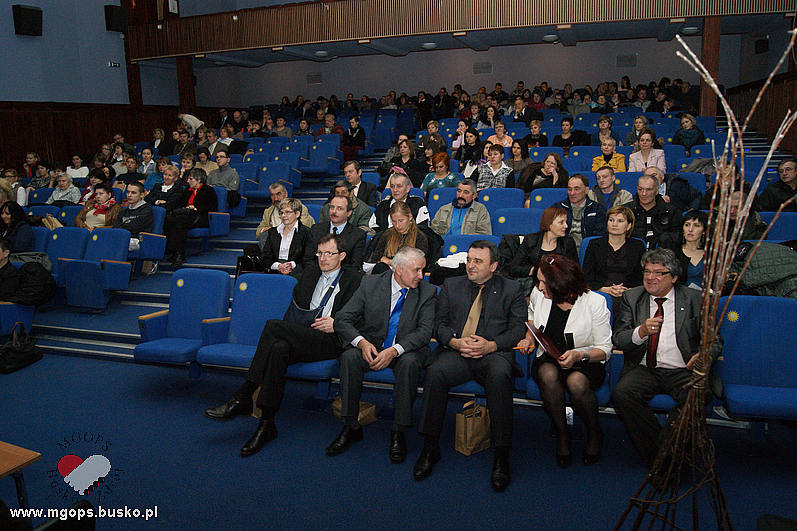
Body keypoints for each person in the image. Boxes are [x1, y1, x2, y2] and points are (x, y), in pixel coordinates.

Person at [204, 234, 363, 456]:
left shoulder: (354, 280)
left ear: (342, 256)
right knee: (278, 349)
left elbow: (363, 317)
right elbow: (296, 309)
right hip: (304, 335)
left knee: (272, 326)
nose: (323, 258)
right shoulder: (310, 274)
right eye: (320, 253)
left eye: (329, 253)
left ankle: (244, 394)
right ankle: (266, 423)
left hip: (332, 340)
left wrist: (337, 323)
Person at [415, 241, 525, 491]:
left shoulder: (512, 289)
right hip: (458, 350)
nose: (471, 266)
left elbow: (518, 329)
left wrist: (491, 346)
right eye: (469, 260)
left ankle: (501, 456)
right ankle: (430, 448)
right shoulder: (451, 285)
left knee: (500, 376)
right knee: (435, 373)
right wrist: (454, 342)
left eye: (478, 261)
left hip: (493, 353)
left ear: (494, 266)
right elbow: (438, 324)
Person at [612, 248, 722, 466]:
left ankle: (662, 457)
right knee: (623, 394)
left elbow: (715, 340)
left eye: (658, 273)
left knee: (700, 394)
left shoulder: (694, 299)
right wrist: (641, 332)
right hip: (645, 368)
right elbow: (619, 339)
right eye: (647, 272)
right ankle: (667, 454)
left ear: (674, 277)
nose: (650, 277)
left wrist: (703, 355)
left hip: (684, 369)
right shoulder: (632, 297)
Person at [328, 246, 436, 461]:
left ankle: (399, 430)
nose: (420, 276)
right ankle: (350, 425)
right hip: (372, 345)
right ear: (398, 270)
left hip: (406, 349)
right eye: (416, 270)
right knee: (349, 357)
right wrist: (361, 343)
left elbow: (424, 333)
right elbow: (342, 319)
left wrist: (394, 351)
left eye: (422, 270)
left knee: (410, 363)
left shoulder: (427, 292)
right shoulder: (370, 284)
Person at [518, 253, 612, 467]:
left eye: (544, 282)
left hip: (586, 358)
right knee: (547, 374)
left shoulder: (595, 302)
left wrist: (580, 355)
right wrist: (528, 338)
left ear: (559, 283)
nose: (539, 286)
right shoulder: (538, 294)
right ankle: (562, 434)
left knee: (576, 382)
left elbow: (605, 349)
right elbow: (532, 319)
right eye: (539, 281)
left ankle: (594, 432)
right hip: (550, 356)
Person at [581, 205, 645, 305]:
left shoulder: (638, 246)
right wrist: (606, 290)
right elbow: (586, 276)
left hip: (628, 294)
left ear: (629, 226)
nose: (614, 224)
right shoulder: (594, 244)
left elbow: (641, 277)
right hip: (599, 293)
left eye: (620, 221)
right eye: (611, 220)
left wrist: (627, 291)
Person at [505, 206, 578, 292]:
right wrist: (536, 271)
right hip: (533, 286)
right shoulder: (531, 240)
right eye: (561, 222)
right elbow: (513, 268)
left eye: (565, 222)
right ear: (549, 224)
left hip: (559, 287)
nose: (566, 226)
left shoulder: (568, 243)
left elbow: (575, 271)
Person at [164, 169, 217, 267]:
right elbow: (180, 204)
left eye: (190, 179)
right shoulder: (188, 191)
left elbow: (212, 207)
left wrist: (196, 208)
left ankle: (179, 254)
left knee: (179, 223)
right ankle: (174, 251)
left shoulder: (208, 190)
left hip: (201, 217)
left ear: (199, 179)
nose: (188, 181)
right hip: (186, 215)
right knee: (169, 219)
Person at [305, 195, 367, 272]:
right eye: (332, 207)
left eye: (339, 208)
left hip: (342, 277)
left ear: (349, 213)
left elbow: (355, 265)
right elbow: (308, 259)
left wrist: (332, 273)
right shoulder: (316, 229)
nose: (334, 211)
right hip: (316, 274)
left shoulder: (358, 235)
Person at [624, 174, 683, 249]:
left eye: (649, 190)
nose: (644, 194)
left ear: (657, 190)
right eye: (640, 189)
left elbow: (677, 238)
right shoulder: (626, 211)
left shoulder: (671, 212)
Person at [256, 198, 311, 277]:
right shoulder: (272, 232)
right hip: (274, 270)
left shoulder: (307, 233)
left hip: (297, 272)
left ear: (297, 214)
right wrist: (278, 266)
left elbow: (308, 257)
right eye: (281, 213)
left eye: (287, 212)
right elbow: (266, 257)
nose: (283, 216)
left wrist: (291, 265)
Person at [369, 201, 428, 274]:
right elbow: (376, 257)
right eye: (394, 221)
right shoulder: (387, 234)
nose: (397, 225)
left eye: (401, 221)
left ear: (409, 217)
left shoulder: (419, 237)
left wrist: (390, 261)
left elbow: (418, 263)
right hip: (386, 272)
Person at [551, 175, 607, 247]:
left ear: (586, 190)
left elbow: (600, 236)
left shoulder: (598, 209)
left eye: (576, 189)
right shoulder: (558, 208)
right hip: (563, 250)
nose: (572, 193)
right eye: (569, 189)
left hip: (589, 250)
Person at [662, 209, 707, 290]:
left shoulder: (711, 254)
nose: (690, 229)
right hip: (679, 296)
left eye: (696, 226)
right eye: (687, 225)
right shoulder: (672, 252)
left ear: (704, 231)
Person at [113, 182, 154, 252]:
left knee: (114, 242)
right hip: (122, 236)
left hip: (138, 240)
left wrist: (121, 227)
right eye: (128, 192)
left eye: (133, 193)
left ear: (141, 195)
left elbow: (134, 228)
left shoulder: (146, 210)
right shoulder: (123, 210)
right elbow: (115, 226)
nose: (129, 195)